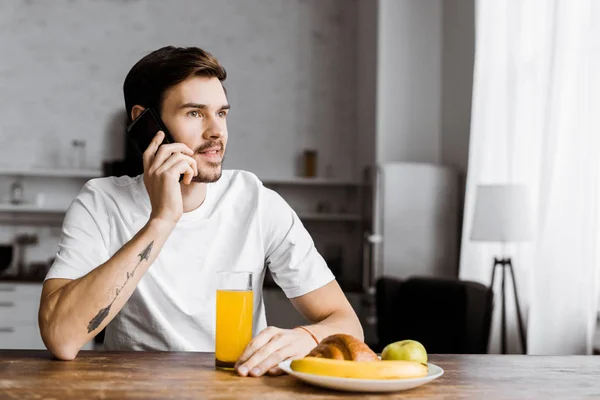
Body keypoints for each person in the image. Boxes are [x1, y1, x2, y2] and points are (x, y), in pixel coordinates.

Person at [38, 46, 363, 377]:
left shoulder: (257, 202)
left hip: (236, 386)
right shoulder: (100, 202)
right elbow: (62, 340)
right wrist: (162, 220)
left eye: (221, 113)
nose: (216, 131)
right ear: (145, 122)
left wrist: (305, 337)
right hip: (132, 390)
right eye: (195, 113)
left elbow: (347, 323)